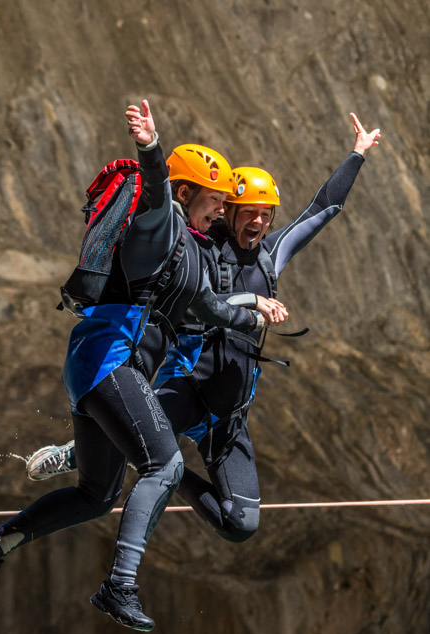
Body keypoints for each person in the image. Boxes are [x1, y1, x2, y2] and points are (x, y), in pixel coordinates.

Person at [0, 100, 283, 632]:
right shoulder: (161, 222)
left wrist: (251, 318)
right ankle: (120, 587)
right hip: (107, 359)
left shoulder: (188, 250)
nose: (217, 213)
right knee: (166, 465)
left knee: (97, 495)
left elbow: (206, 307)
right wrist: (152, 148)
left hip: (97, 362)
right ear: (186, 194)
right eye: (212, 201)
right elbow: (157, 191)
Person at [27, 113, 380, 544]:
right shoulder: (199, 248)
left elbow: (324, 209)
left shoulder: (271, 255)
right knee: (142, 446)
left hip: (229, 411)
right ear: (226, 211)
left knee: (240, 525)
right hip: (186, 389)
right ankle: (78, 453)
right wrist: (251, 303)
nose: (259, 223)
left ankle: (144, 463)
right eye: (248, 212)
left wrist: (357, 154)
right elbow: (196, 309)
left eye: (266, 215)